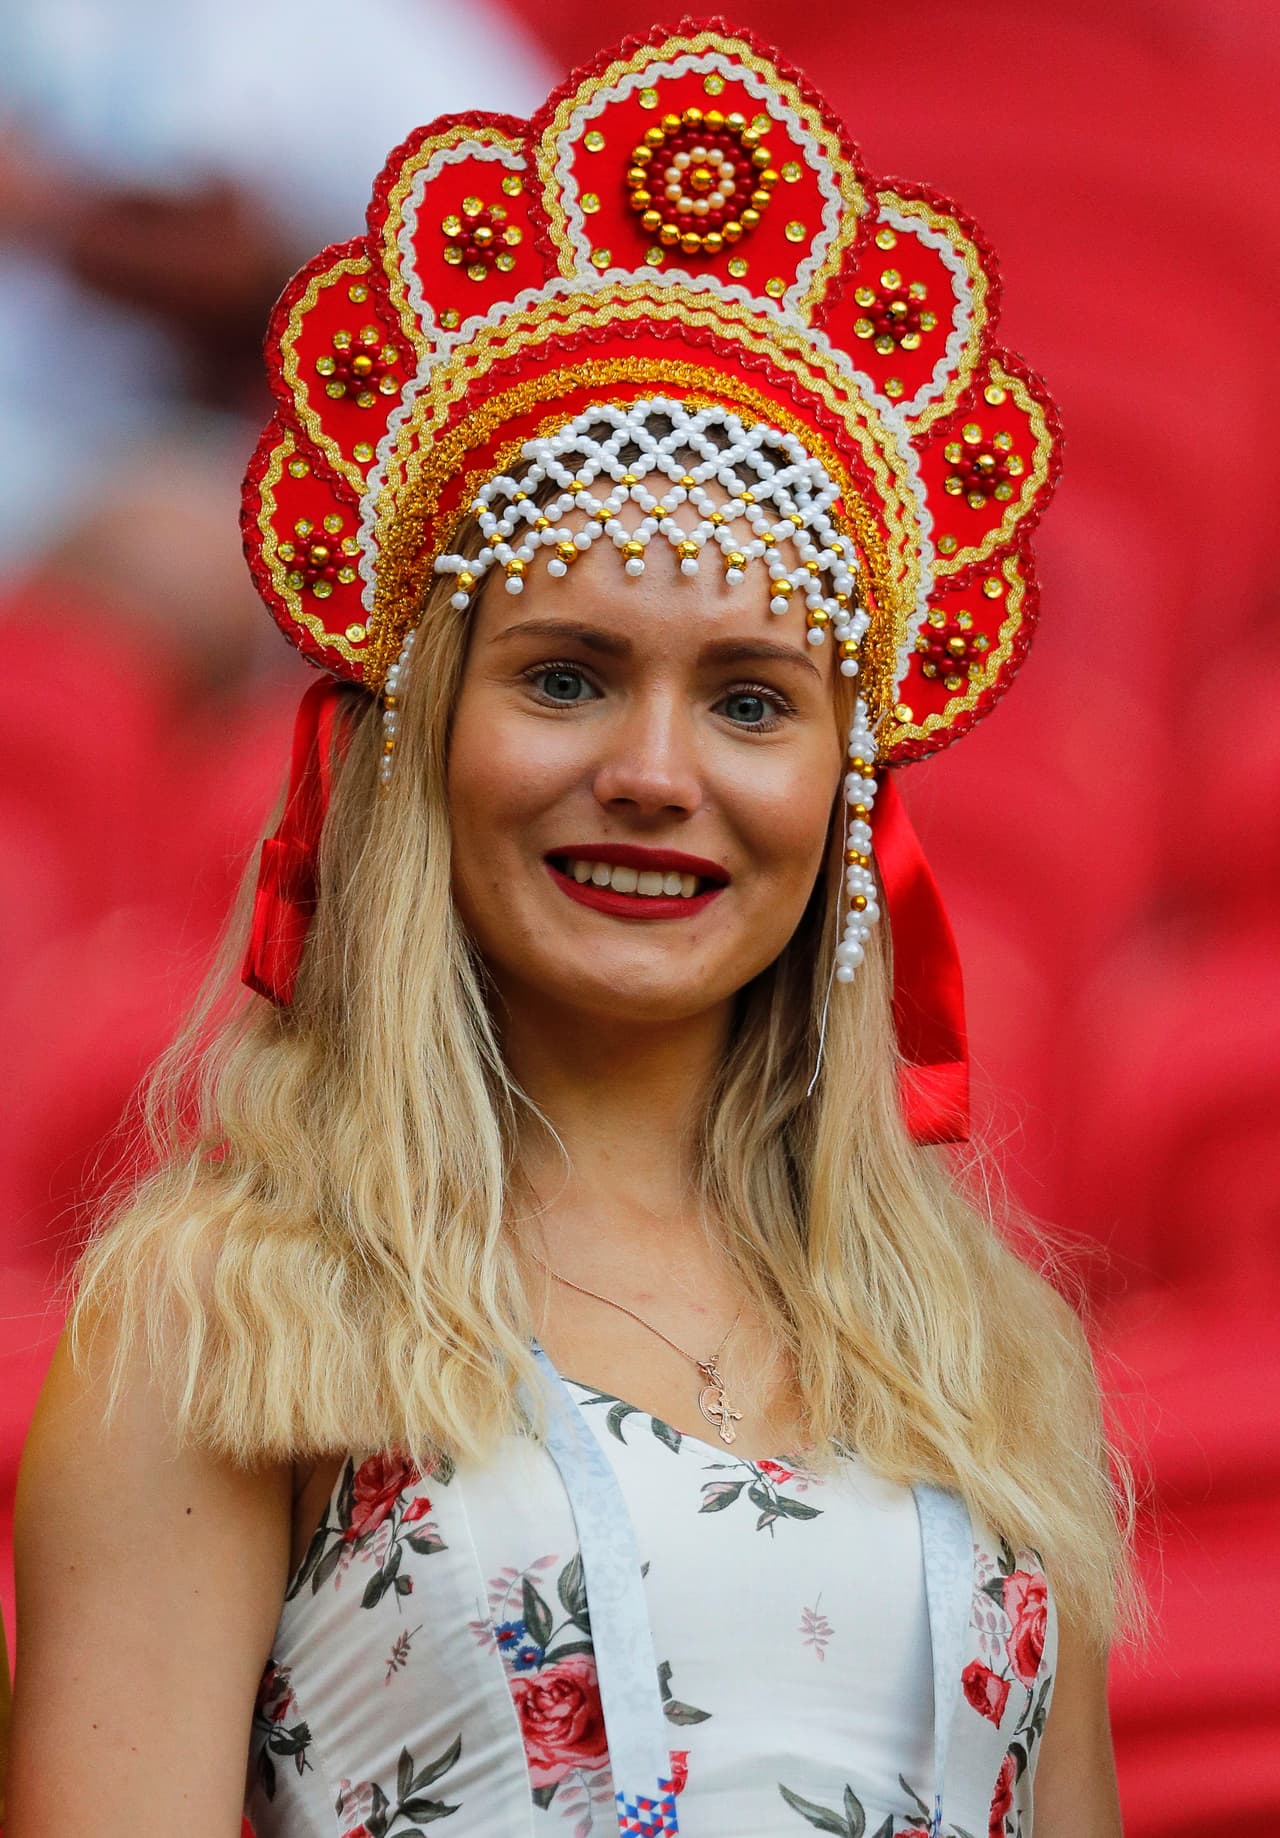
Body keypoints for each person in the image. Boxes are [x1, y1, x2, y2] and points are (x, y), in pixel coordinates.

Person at [7, 22, 1132, 1837]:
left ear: (848, 790)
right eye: (566, 676)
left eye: (751, 702)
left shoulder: (991, 1353)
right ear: (422, 742)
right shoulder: (219, 1318)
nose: (655, 773)